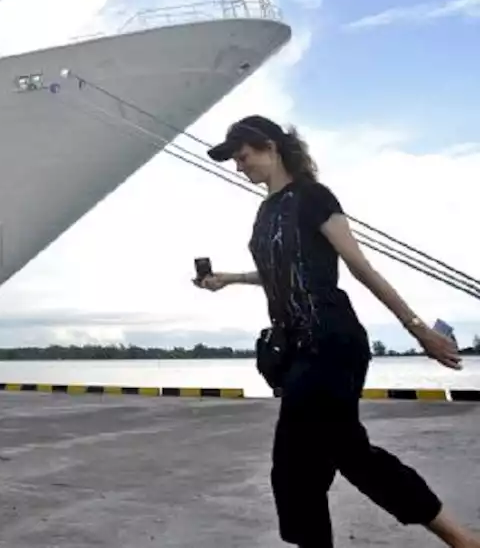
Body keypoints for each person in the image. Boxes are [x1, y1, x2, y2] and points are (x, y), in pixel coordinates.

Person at [195, 115, 478, 548]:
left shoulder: (313, 197)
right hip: (297, 352)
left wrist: (416, 328)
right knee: (301, 469)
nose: (239, 165)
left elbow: (361, 267)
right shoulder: (266, 210)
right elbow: (280, 270)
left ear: (270, 147)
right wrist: (229, 278)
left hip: (332, 341)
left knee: (333, 458)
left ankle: (462, 540)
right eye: (235, 159)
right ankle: (461, 540)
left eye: (243, 155)